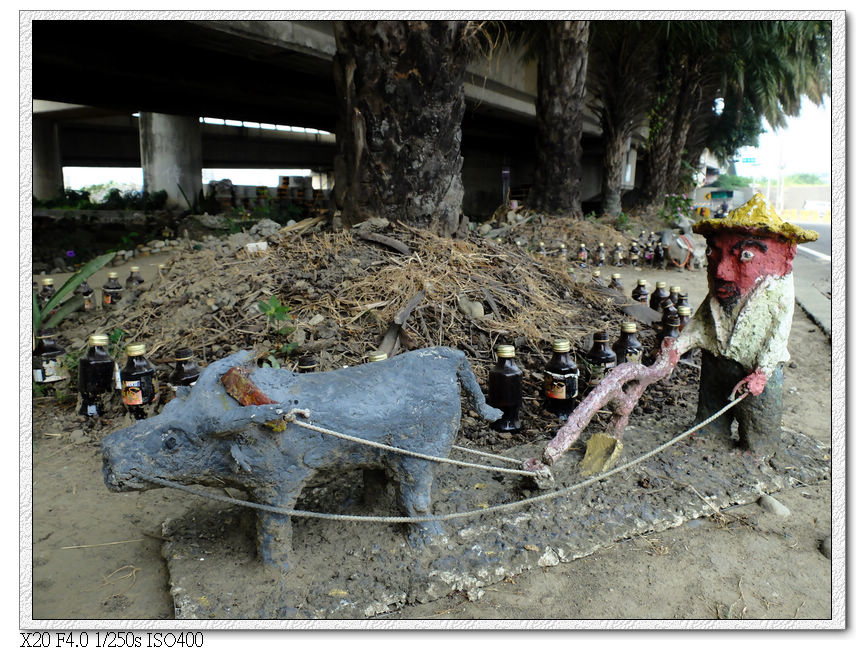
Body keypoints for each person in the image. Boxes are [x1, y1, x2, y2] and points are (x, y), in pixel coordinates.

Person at [535, 194, 818, 465]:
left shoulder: (777, 295)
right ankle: (710, 431)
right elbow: (701, 323)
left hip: (753, 371)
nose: (721, 270)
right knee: (711, 402)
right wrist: (678, 346)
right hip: (715, 361)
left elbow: (777, 336)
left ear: (784, 257)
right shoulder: (720, 294)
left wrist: (763, 371)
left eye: (743, 256)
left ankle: (758, 449)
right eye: (713, 254)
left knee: (758, 412)